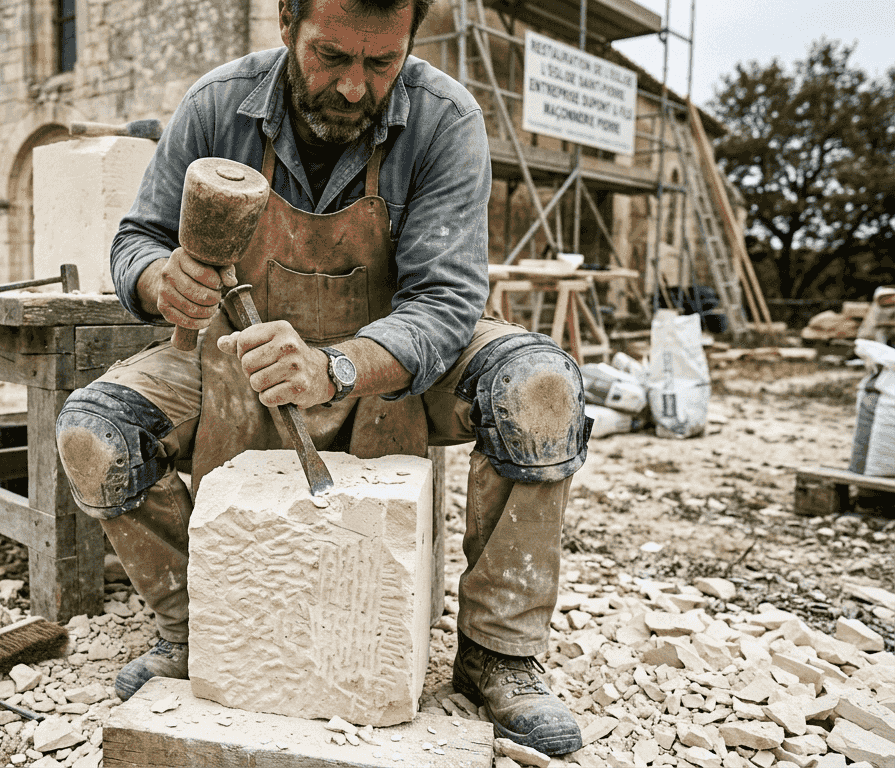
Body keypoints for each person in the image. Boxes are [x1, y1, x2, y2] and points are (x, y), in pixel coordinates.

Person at [54, 0, 590, 755]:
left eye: (381, 63)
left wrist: (335, 366)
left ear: (409, 42)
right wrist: (156, 279)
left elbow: (445, 303)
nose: (353, 86)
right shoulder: (216, 105)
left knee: (538, 389)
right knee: (94, 433)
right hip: (239, 348)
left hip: (397, 349)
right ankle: (198, 627)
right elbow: (139, 237)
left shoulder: (445, 119)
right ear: (286, 22)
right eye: (331, 56)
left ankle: (498, 652)